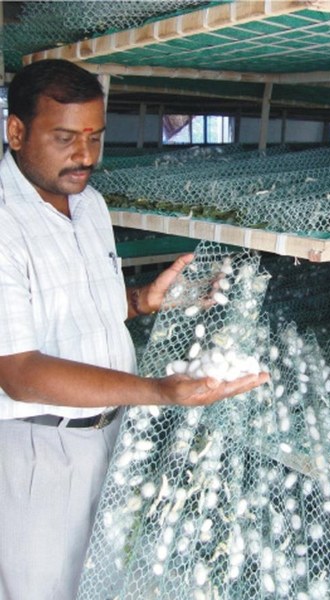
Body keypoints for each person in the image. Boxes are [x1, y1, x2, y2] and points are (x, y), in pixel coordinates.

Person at [0, 59, 269, 600]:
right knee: (42, 588)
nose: (85, 155)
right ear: (16, 131)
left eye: (95, 137)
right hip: (39, 449)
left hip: (115, 434)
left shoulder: (91, 205)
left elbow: (78, 310)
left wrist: (141, 301)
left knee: (105, 578)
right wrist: (157, 393)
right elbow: (18, 372)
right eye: (65, 137)